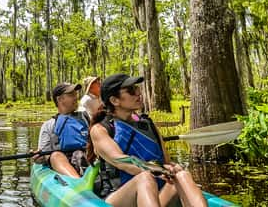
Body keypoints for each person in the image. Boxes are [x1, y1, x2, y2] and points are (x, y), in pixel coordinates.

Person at [89, 73, 207, 207]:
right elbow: (122, 162)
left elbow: (166, 161)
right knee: (145, 178)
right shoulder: (100, 130)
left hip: (155, 195)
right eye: (131, 90)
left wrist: (173, 168)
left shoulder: (148, 124)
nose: (138, 93)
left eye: (137, 88)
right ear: (114, 100)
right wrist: (161, 170)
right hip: (119, 197)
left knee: (183, 175)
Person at [35, 82, 91, 179]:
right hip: (64, 162)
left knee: (81, 154)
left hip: (87, 157)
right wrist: (39, 158)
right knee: (55, 156)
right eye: (71, 95)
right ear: (60, 99)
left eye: (75, 94)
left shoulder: (86, 118)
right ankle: (78, 181)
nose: (75, 98)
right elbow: (45, 156)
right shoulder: (49, 125)